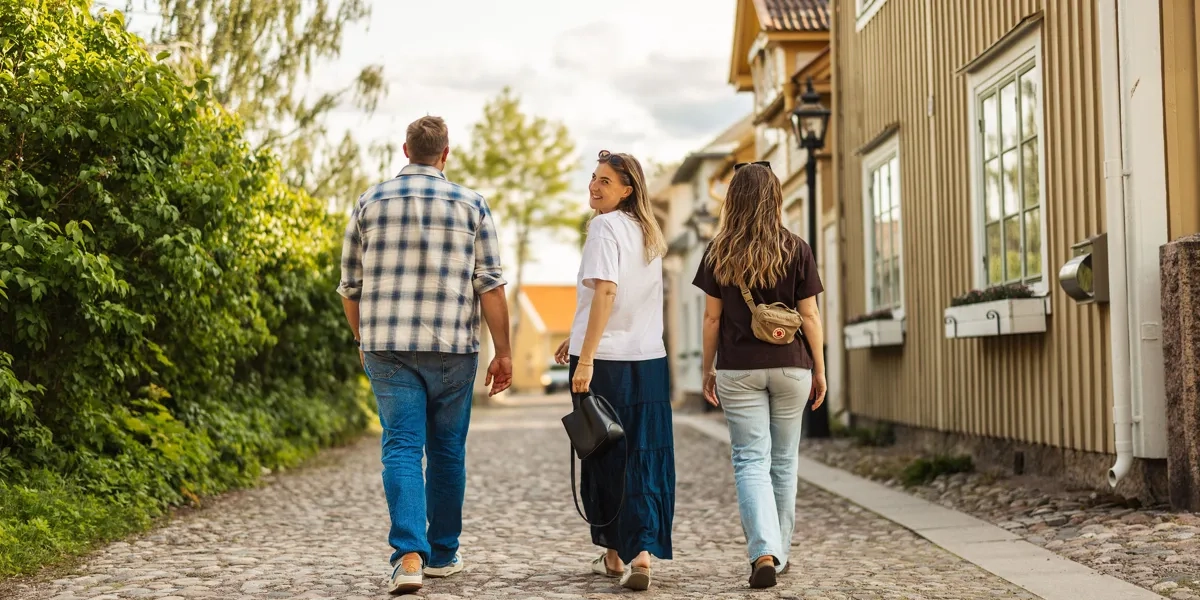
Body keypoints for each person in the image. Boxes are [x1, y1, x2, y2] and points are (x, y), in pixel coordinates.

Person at [337, 115, 512, 596]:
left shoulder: (369, 202)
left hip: (387, 346)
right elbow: (491, 286)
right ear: (446, 152)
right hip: (453, 348)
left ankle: (409, 557)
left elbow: (350, 287)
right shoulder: (472, 205)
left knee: (400, 447)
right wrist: (505, 352)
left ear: (405, 149)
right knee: (447, 451)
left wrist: (361, 339)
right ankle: (443, 553)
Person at [691, 162, 827, 589]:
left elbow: (712, 320)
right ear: (775, 197)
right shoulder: (797, 248)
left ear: (733, 199)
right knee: (784, 461)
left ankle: (763, 550)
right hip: (791, 365)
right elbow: (810, 315)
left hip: (738, 368)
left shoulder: (718, 251)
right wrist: (820, 369)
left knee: (751, 459)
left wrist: (707, 367)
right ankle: (779, 554)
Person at [554, 150, 673, 592]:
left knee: (604, 455)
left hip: (607, 363)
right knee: (643, 456)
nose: (594, 186)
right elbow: (624, 303)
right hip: (649, 360)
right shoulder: (647, 233)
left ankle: (617, 552)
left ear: (627, 191)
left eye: (605, 181)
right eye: (593, 177)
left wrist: (585, 358)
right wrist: (577, 334)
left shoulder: (604, 227)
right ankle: (638, 554)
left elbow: (606, 292)